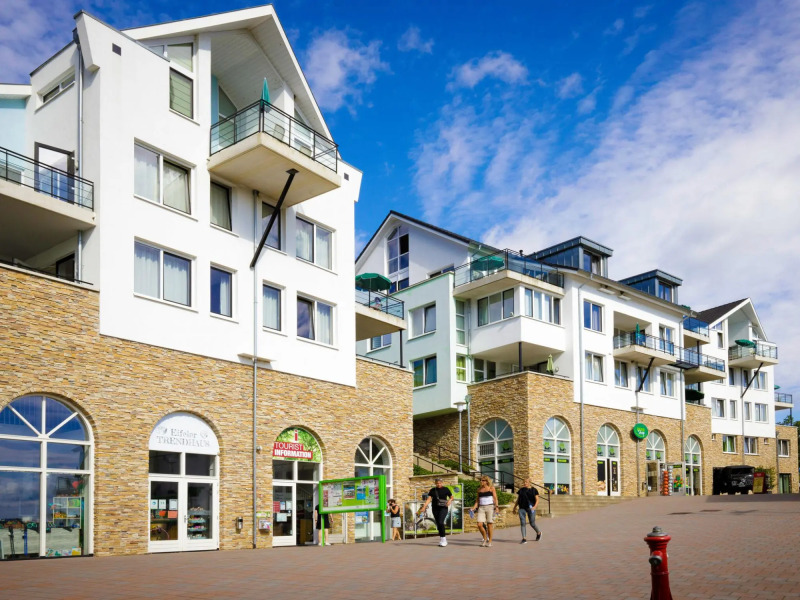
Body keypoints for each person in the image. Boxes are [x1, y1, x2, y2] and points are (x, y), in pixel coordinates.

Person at [417, 477, 453, 547]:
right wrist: (424, 507)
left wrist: (450, 500)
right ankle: (442, 539)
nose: (438, 484)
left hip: (443, 508)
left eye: (439, 483)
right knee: (438, 524)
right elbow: (429, 499)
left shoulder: (446, 489)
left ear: (442, 483)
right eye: (437, 483)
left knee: (440, 522)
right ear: (435, 483)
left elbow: (451, 497)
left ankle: (444, 539)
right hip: (435, 508)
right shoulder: (433, 490)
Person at [470, 475, 499, 547]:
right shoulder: (479, 489)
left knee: (489, 524)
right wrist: (473, 508)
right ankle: (485, 538)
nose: (481, 481)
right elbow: (477, 500)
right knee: (479, 524)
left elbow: (495, 498)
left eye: (483, 480)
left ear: (486, 481)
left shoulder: (491, 488)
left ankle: (490, 541)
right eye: (481, 480)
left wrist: (497, 507)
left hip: (490, 506)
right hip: (481, 508)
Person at [512, 478, 542, 544]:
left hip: (530, 508)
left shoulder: (534, 490)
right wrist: (514, 507)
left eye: (526, 482)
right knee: (523, 523)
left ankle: (539, 532)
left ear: (530, 483)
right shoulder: (521, 490)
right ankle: (524, 538)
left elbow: (537, 500)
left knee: (532, 523)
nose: (525, 483)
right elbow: (518, 499)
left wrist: (534, 507)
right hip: (522, 508)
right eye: (524, 482)